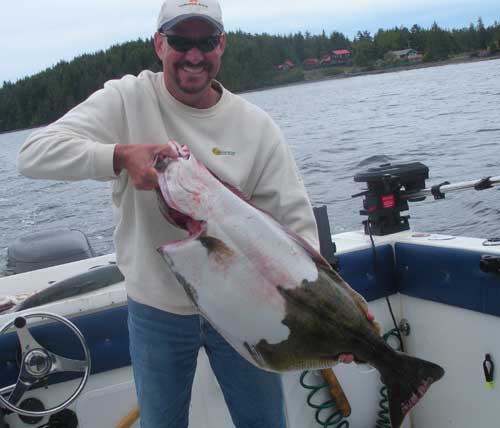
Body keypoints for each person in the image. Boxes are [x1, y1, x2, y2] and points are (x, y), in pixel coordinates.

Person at [18, 0, 364, 426]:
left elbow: (295, 226)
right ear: (159, 44)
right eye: (181, 41)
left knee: (265, 422)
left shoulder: (255, 126)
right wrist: (120, 156)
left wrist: (331, 319)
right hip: (156, 310)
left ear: (222, 45)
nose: (194, 55)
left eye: (206, 42)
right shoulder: (127, 98)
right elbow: (33, 154)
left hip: (247, 312)